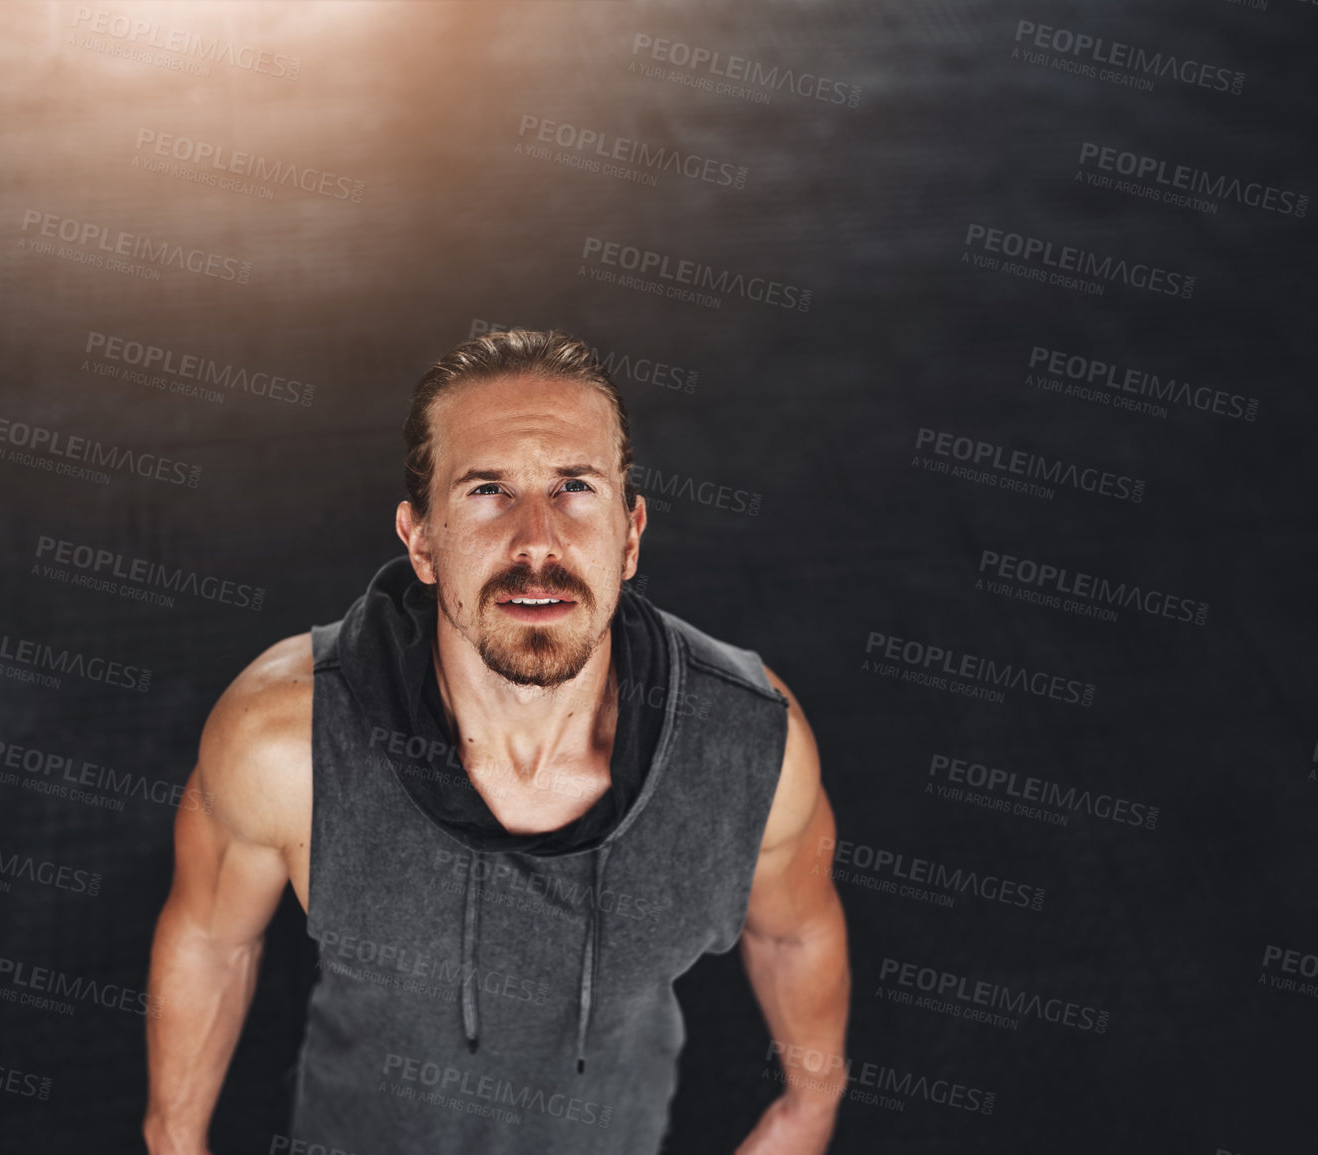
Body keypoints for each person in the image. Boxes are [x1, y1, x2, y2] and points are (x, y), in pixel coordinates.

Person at [142, 329, 850, 1155]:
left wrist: (810, 1105)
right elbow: (211, 937)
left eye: (574, 487)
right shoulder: (283, 739)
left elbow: (794, 930)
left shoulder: (749, 742)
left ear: (629, 535)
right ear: (422, 541)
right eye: (487, 491)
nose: (537, 543)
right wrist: (173, 1139)